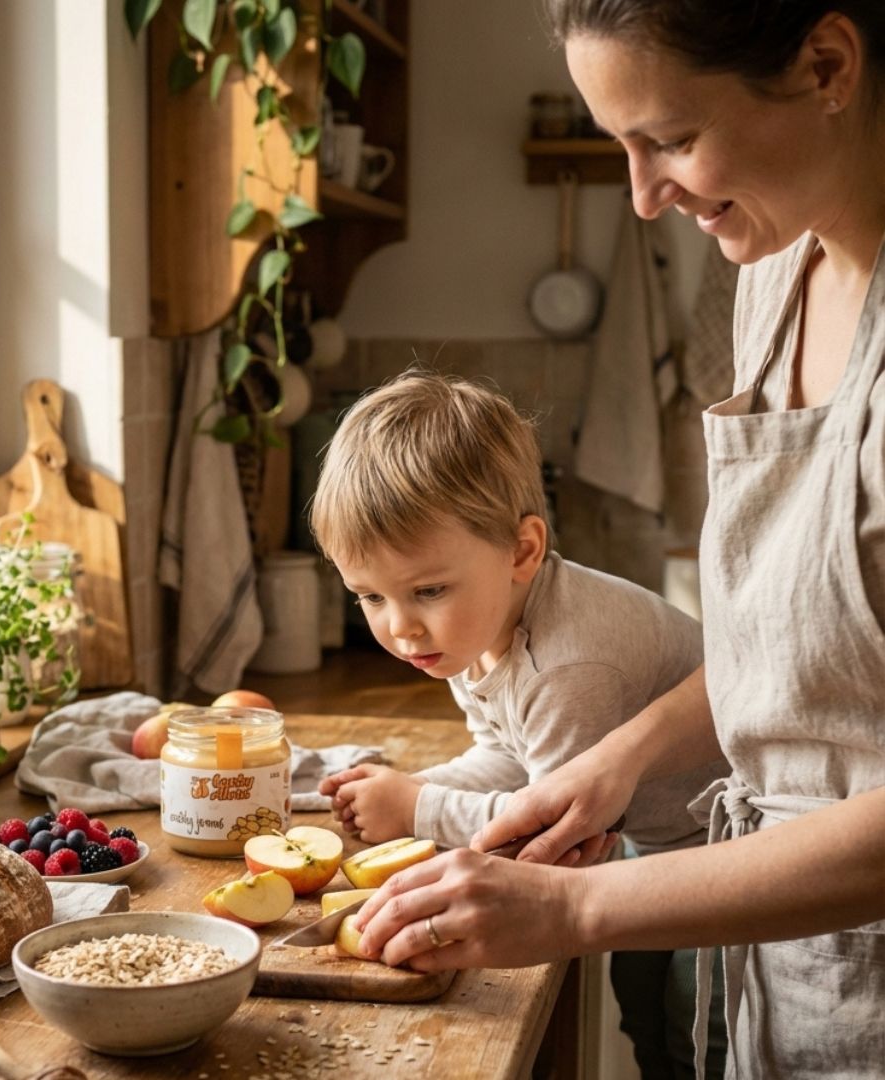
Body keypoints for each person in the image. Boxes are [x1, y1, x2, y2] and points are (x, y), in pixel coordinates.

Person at [350, 4, 885, 1078]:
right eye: (623, 146)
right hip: (784, 974)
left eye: (674, 140)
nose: (646, 196)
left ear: (827, 65)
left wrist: (576, 904)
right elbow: (792, 660)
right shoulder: (774, 270)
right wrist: (618, 760)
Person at [309, 370, 729, 1077]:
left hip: (721, 856)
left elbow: (551, 827)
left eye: (427, 590)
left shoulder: (563, 666)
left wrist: (417, 804)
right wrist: (410, 787)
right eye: (369, 597)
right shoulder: (477, 628)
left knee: (700, 1041)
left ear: (523, 551)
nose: (400, 626)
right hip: (649, 845)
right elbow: (506, 755)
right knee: (646, 1024)